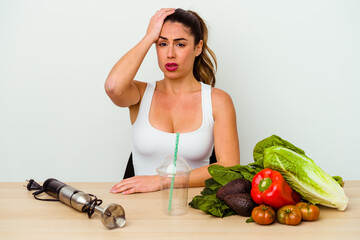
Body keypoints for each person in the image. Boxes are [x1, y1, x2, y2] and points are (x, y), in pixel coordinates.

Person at [105, 8, 240, 195]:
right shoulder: (140, 94)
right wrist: (148, 37)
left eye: (180, 45)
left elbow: (229, 167)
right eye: (162, 44)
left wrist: (161, 181)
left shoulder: (217, 100)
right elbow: (113, 87)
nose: (170, 54)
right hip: (139, 210)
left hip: (193, 209)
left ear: (198, 48)